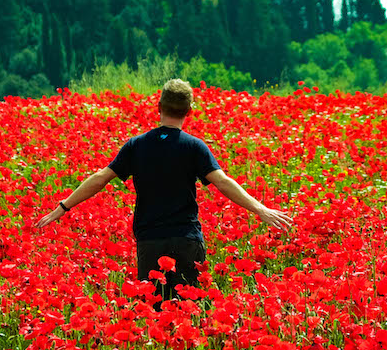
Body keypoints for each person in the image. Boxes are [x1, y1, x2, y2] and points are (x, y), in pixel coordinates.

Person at [36, 79, 293, 304]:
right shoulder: (194, 147)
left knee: (153, 313)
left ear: (158, 107)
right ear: (189, 111)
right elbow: (223, 182)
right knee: (189, 312)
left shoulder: (137, 146)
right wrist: (260, 209)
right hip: (186, 240)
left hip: (151, 242)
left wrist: (62, 208)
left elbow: (101, 178)